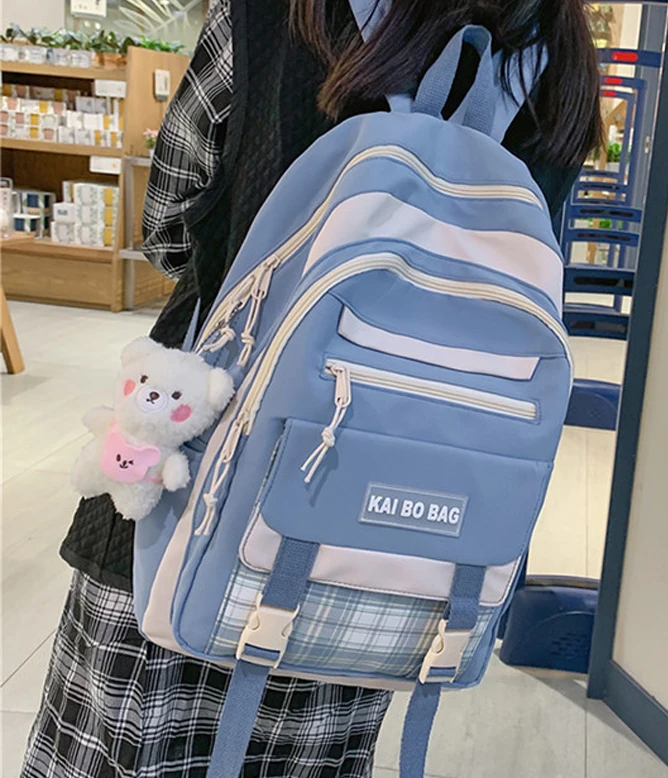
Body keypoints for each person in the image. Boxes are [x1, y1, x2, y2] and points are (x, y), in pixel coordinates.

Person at [22, 1, 601, 776]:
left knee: (133, 747)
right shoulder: (558, 63)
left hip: (195, 474)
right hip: (390, 540)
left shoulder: (274, 16)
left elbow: (170, 229)